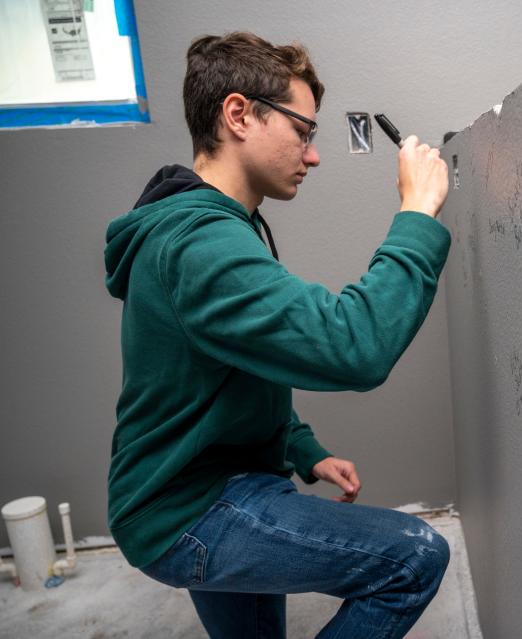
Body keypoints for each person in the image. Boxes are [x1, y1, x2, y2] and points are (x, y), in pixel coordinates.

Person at [103, 31, 451, 638]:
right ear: (239, 115)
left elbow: (239, 362)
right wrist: (416, 216)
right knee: (413, 556)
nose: (311, 154)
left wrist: (303, 450)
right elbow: (353, 347)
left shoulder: (216, 225)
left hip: (197, 490)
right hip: (192, 508)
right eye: (304, 131)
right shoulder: (198, 243)